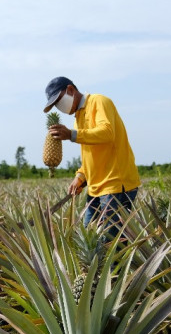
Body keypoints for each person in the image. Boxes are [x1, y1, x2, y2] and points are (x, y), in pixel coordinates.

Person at [43, 76, 141, 235]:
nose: (59, 107)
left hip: (114, 184)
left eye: (59, 101)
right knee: (89, 235)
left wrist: (71, 135)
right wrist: (80, 176)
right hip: (95, 187)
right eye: (56, 106)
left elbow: (108, 133)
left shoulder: (99, 101)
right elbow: (91, 155)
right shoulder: (78, 119)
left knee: (109, 241)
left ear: (70, 90)